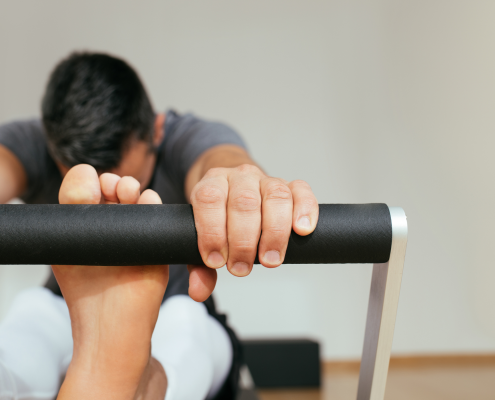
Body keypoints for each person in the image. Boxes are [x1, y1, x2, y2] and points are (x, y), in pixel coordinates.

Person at [0, 52, 319, 400]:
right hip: (65, 310)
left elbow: (220, 158)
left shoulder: (185, 137)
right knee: (31, 316)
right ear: (53, 148)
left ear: (156, 128)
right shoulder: (37, 143)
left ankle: (144, 382)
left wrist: (236, 185)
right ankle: (116, 370)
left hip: (179, 306)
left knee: (185, 322)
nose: (113, 205)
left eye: (131, 183)